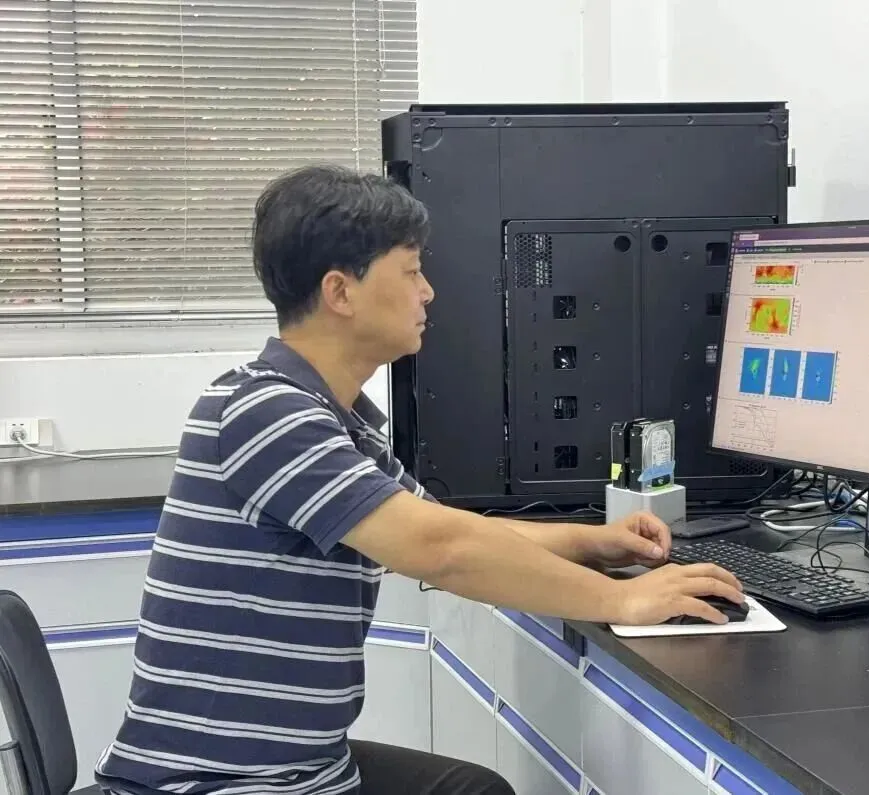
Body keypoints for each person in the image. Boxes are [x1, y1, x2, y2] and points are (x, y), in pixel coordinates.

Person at [94, 164, 744, 795]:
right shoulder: (265, 412)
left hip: (301, 769)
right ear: (340, 292)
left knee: (474, 789)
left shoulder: (336, 419)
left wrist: (591, 541)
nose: (428, 291)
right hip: (217, 782)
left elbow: (445, 528)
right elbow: (442, 551)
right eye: (410, 271)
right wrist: (624, 602)